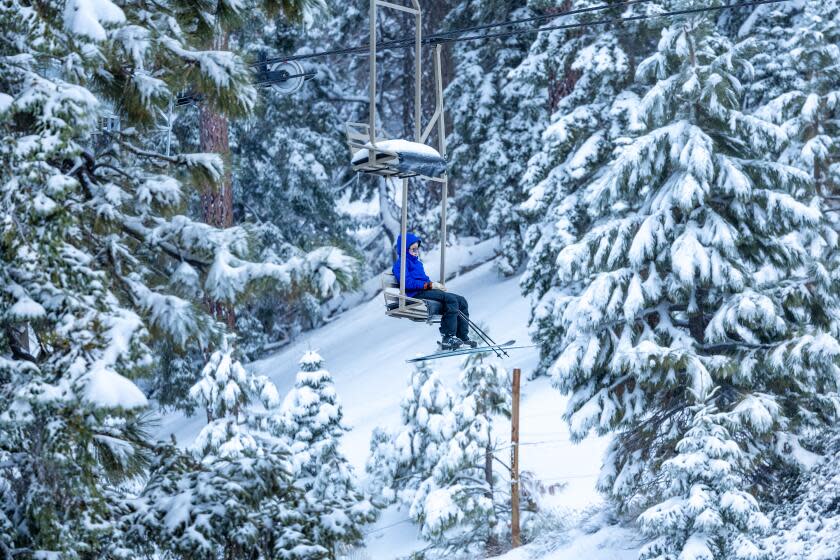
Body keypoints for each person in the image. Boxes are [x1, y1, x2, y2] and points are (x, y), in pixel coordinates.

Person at [392, 232, 476, 350]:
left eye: (417, 249)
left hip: (424, 291)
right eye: (413, 249)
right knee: (451, 300)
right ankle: (448, 337)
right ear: (405, 249)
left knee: (461, 300)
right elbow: (407, 283)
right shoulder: (400, 264)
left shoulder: (417, 263)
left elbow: (424, 280)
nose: (416, 252)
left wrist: (433, 286)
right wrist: (429, 285)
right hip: (415, 294)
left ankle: (462, 337)